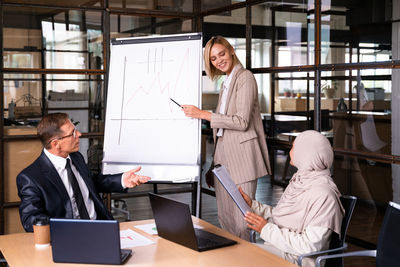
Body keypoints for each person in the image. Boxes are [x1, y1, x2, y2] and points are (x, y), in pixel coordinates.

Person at [182, 36, 270, 240]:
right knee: (226, 219)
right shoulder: (226, 82)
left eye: (221, 54)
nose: (219, 60)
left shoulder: (245, 77)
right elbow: (222, 133)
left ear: (231, 50)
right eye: (213, 58)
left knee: (242, 222)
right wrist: (214, 167)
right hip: (224, 161)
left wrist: (203, 114)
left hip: (242, 160)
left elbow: (241, 122)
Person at [17, 113, 151, 232]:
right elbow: (31, 219)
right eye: (73, 133)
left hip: (100, 229)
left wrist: (122, 180)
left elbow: (91, 182)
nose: (79, 134)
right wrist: (68, 230)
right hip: (68, 237)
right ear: (56, 143)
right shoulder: (31, 178)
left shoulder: (76, 157)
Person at [239, 130, 344, 266]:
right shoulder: (300, 181)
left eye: (295, 147)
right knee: (236, 253)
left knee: (240, 257)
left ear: (306, 154)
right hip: (279, 250)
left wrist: (266, 229)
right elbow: (281, 219)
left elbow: (309, 247)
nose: (291, 150)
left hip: (298, 260)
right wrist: (253, 206)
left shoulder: (325, 196)